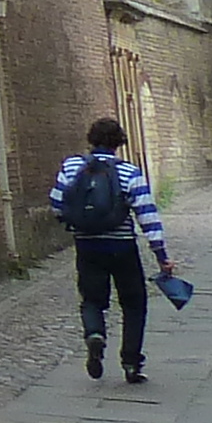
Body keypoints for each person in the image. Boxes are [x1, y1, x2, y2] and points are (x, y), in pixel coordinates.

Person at [50, 116, 174, 384]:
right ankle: (131, 362)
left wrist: (73, 225)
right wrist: (161, 256)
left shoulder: (72, 166)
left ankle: (95, 333)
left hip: (87, 246)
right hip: (122, 247)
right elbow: (147, 215)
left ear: (90, 140)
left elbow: (57, 203)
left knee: (92, 299)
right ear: (119, 143)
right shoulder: (129, 172)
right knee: (134, 303)